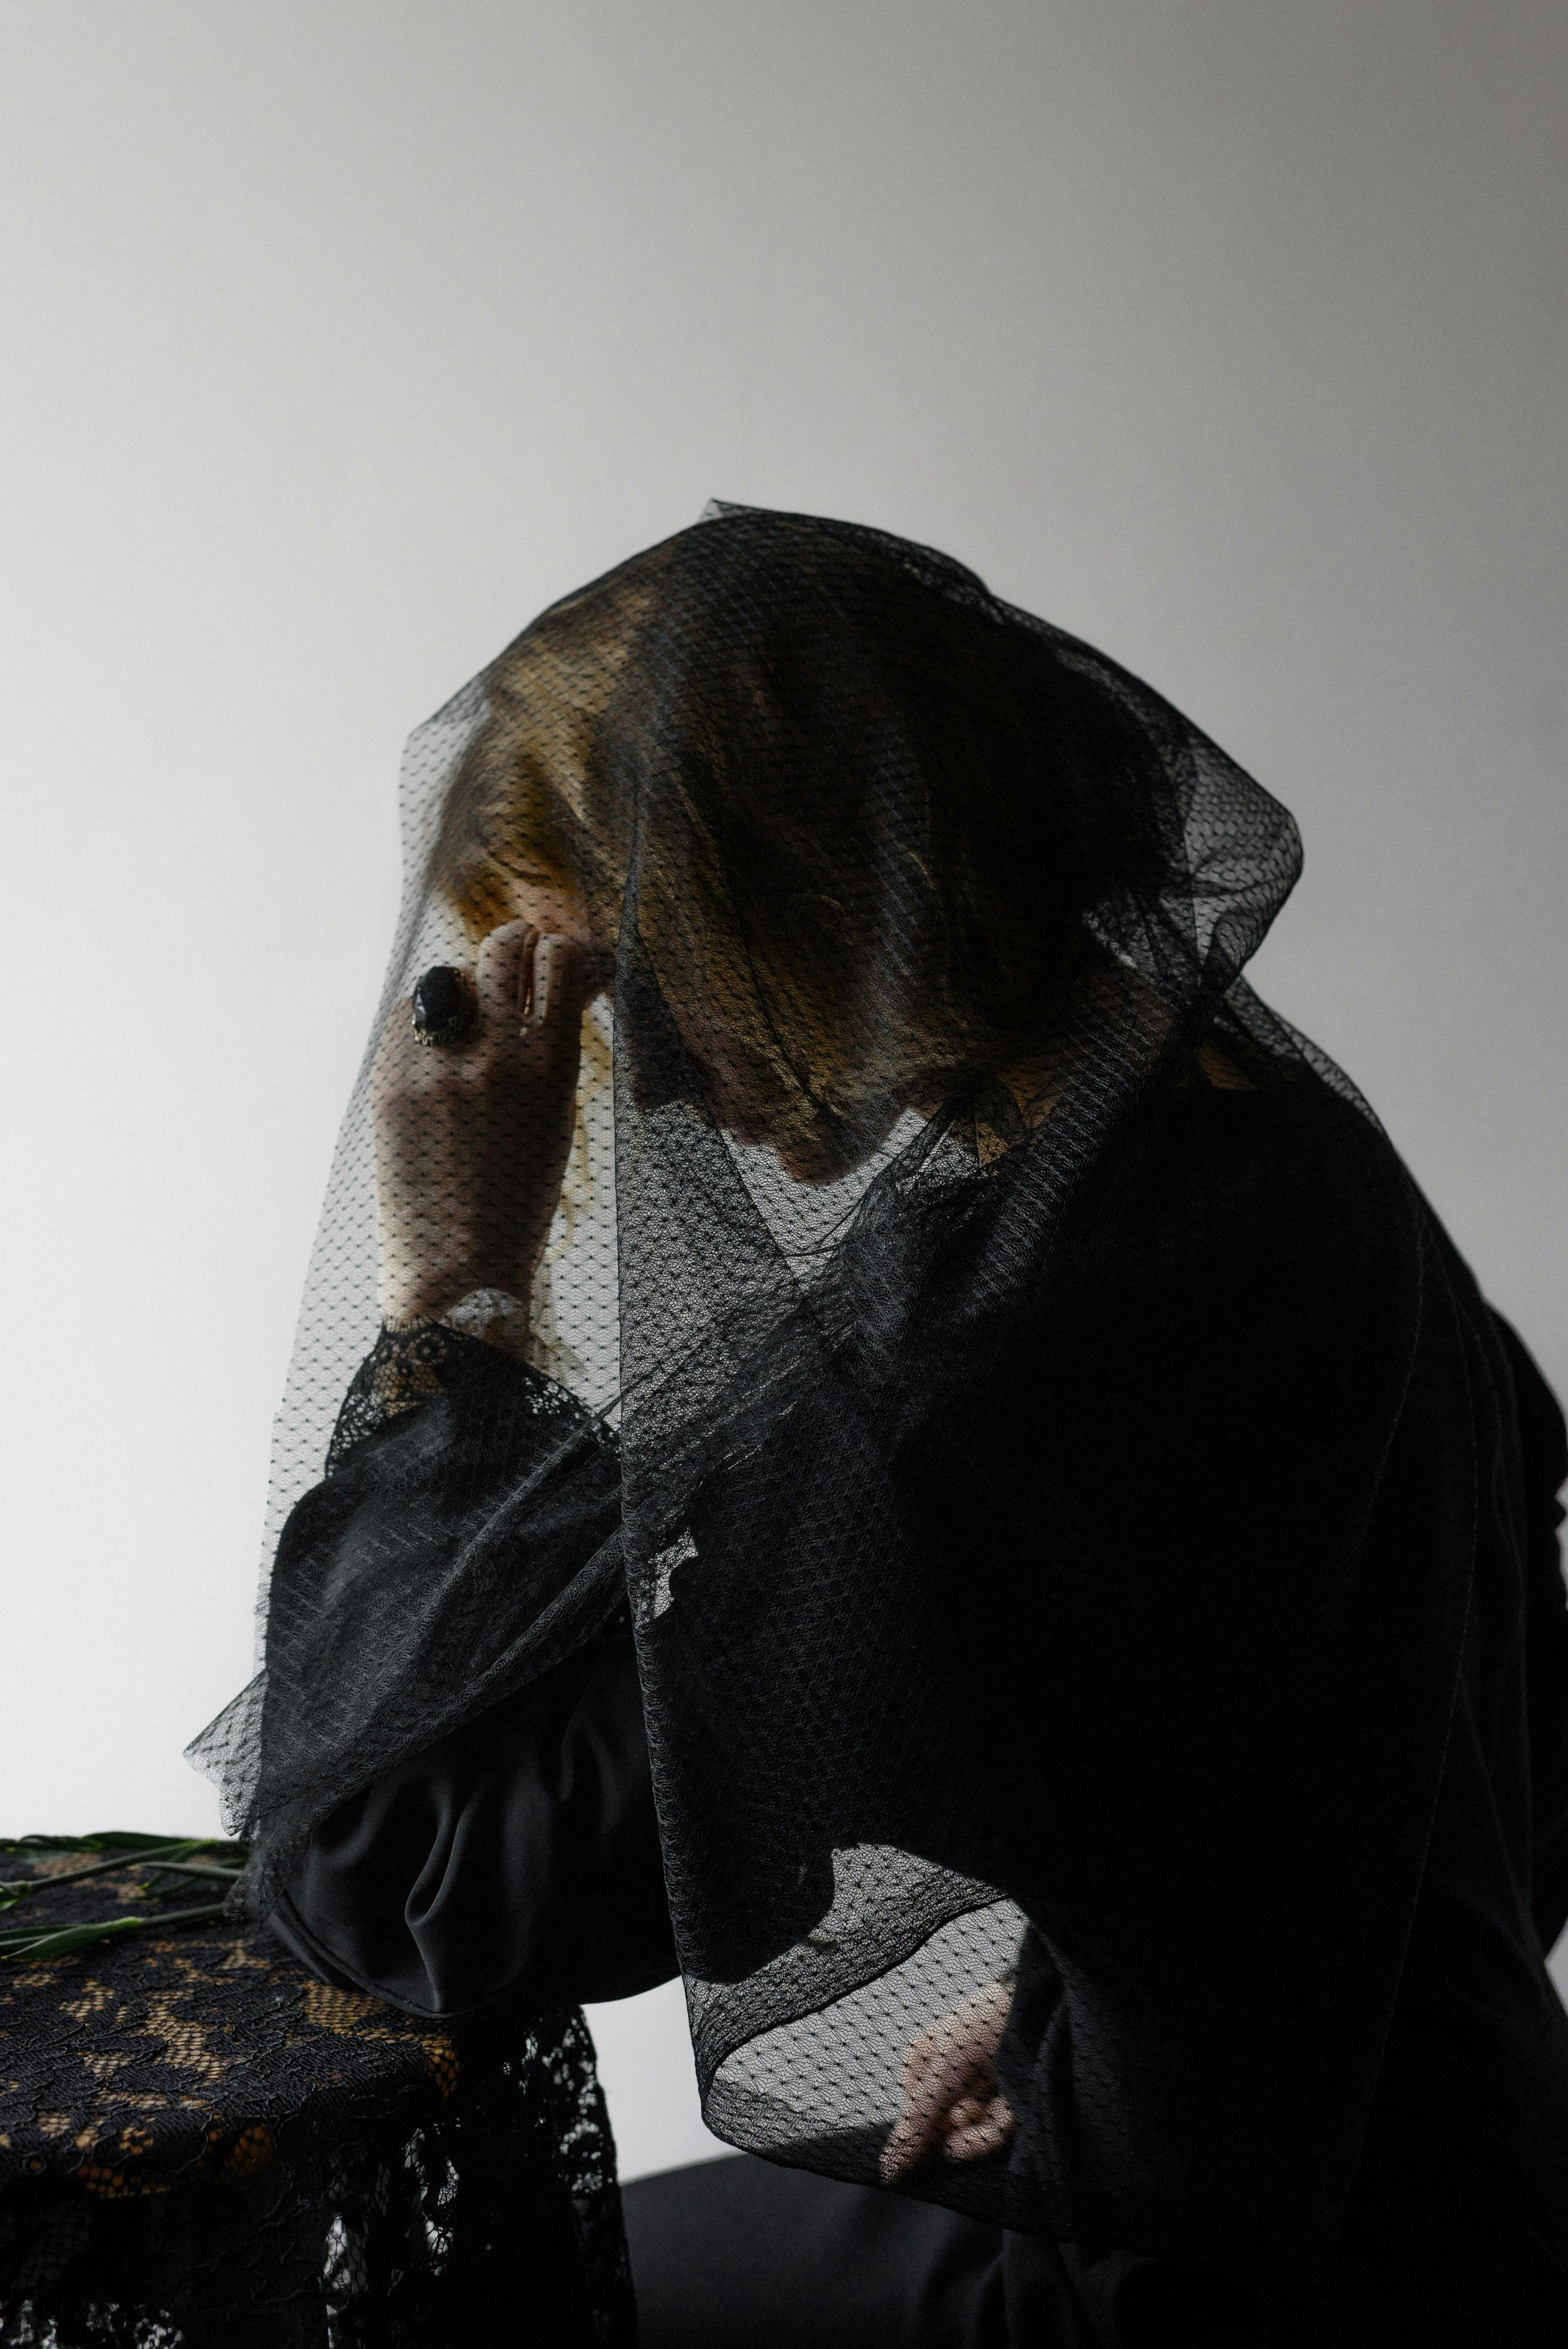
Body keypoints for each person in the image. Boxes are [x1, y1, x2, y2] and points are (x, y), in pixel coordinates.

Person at [195, 504, 1568, 2346]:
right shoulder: (1258, 1136)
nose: (642, 1074)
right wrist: (1122, 2014)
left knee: (433, 2306)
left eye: (638, 970)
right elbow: (1479, 1715)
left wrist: (456, 1294)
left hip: (1211, 2301)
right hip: (1484, 2196)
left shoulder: (968, 1370)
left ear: (808, 895)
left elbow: (401, 1886)